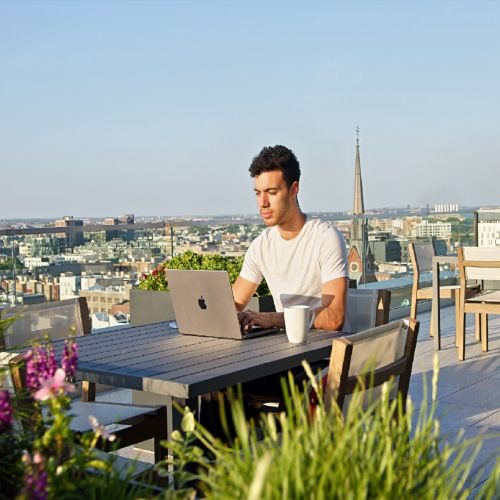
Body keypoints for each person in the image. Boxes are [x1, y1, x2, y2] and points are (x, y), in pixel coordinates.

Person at [233, 144, 348, 333]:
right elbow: (235, 302)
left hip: (326, 355)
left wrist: (273, 319)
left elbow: (335, 317)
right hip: (285, 351)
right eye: (258, 193)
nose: (262, 203)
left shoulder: (326, 238)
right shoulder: (261, 245)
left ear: (293, 190)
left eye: (271, 192)